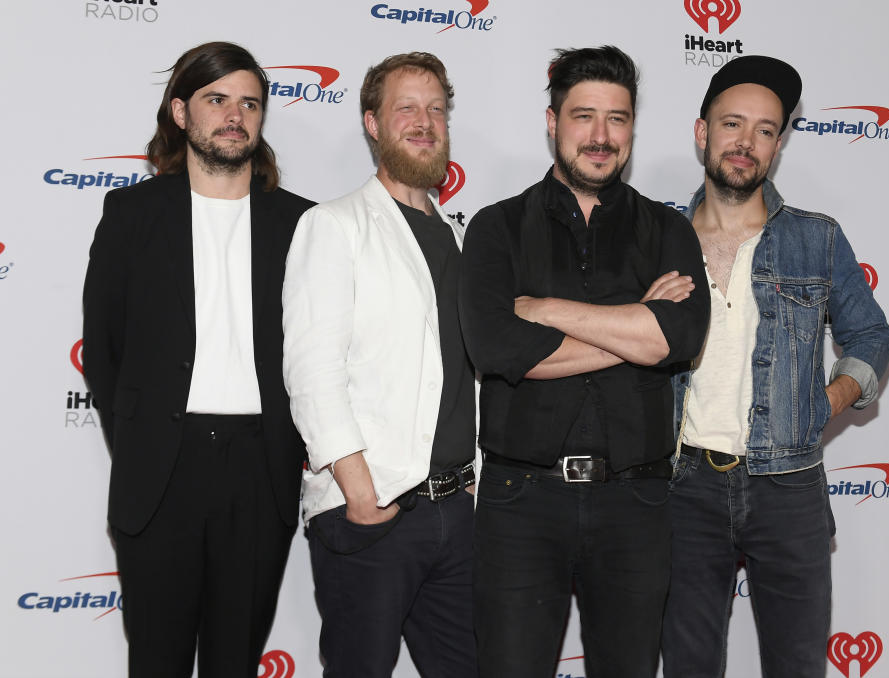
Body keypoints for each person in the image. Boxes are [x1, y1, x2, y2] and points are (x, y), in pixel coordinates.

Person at [458, 45, 710, 678]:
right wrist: (634, 323)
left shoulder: (668, 229)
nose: (601, 136)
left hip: (638, 503)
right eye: (584, 116)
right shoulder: (496, 227)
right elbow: (497, 348)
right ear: (552, 122)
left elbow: (677, 342)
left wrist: (543, 307)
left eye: (617, 119)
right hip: (521, 502)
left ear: (632, 128)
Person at [82, 42, 315, 677]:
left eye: (249, 103)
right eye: (217, 100)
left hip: (260, 468)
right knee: (156, 663)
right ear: (181, 112)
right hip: (160, 470)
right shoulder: (131, 214)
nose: (235, 115)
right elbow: (102, 353)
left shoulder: (302, 224)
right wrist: (139, 441)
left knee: (234, 664)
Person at [660, 55, 889, 678]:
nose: (746, 142)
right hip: (682, 486)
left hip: (789, 488)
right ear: (702, 132)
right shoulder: (657, 236)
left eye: (765, 130)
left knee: (796, 665)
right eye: (732, 124)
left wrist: (831, 399)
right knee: (688, 665)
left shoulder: (816, 238)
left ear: (779, 144)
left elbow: (870, 335)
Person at [282, 52, 477, 678]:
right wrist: (360, 491)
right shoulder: (333, 225)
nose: (425, 123)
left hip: (456, 511)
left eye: (437, 110)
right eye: (407, 110)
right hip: (375, 513)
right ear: (373, 123)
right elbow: (311, 368)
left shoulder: (457, 237)